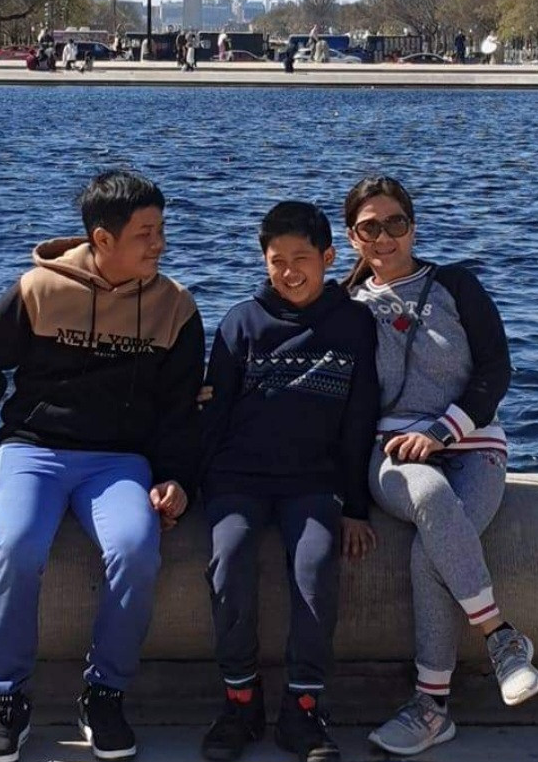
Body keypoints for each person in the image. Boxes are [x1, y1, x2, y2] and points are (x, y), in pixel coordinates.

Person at [0, 170, 205, 762]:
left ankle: (104, 692)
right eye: (145, 234)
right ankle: (5, 697)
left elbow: (180, 408)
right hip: (32, 451)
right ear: (103, 239)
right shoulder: (38, 290)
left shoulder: (176, 307)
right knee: (16, 549)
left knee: (136, 550)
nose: (160, 244)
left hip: (119, 462)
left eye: (161, 230)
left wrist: (175, 477)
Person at [342, 176, 538, 757]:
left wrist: (442, 431)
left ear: (413, 226)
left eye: (396, 223)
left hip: (474, 446)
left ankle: (431, 708)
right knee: (430, 498)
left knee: (431, 552)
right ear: (352, 237)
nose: (384, 237)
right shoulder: (345, 306)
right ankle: (501, 637)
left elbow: (496, 370)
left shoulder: (456, 285)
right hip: (392, 453)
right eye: (370, 227)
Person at [199, 202, 379, 762]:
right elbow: (213, 416)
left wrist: (356, 507)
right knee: (229, 561)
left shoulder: (354, 324)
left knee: (315, 569)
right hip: (238, 478)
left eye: (302, 258)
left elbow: (359, 421)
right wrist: (182, 484)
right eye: (277, 261)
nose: (289, 271)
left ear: (329, 257)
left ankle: (302, 710)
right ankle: (240, 701)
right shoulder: (241, 321)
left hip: (313, 481)